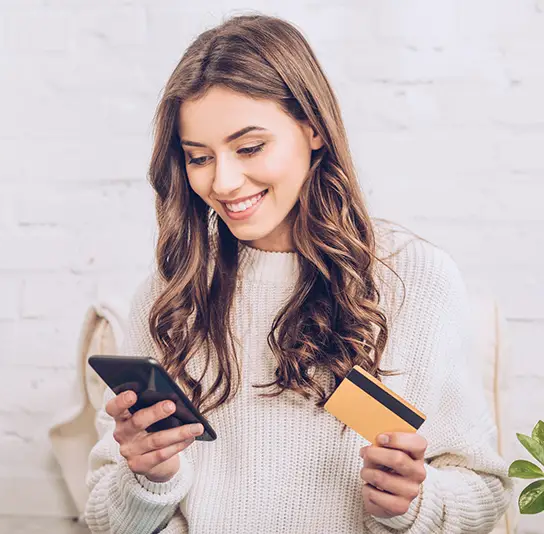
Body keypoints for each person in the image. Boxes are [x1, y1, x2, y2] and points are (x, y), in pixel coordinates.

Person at [84, 14, 511, 534]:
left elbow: (485, 492)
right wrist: (150, 479)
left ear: (313, 128)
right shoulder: (170, 294)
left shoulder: (413, 279)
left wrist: (411, 505)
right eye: (198, 157)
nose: (223, 181)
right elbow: (106, 519)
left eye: (249, 148)